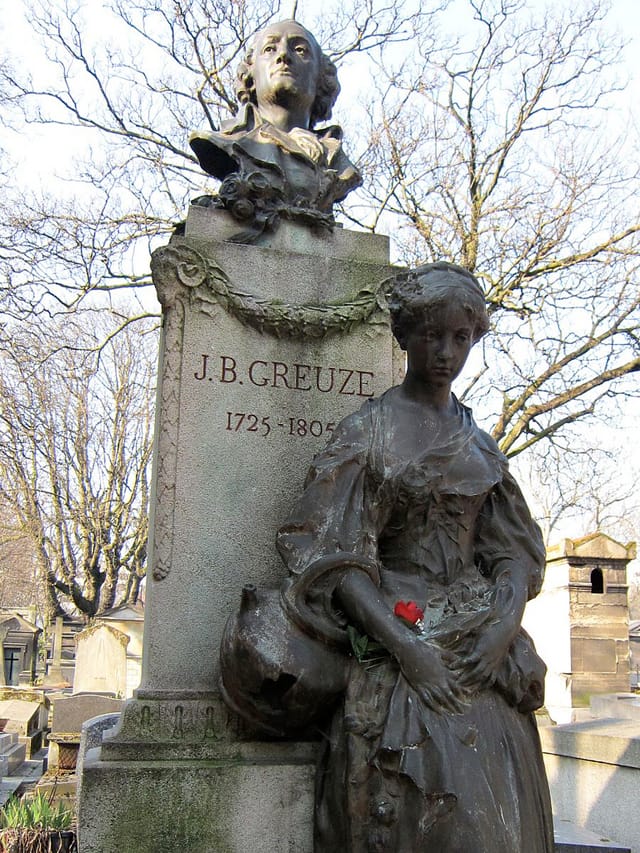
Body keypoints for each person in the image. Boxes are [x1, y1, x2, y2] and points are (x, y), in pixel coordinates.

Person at [273, 262, 555, 851]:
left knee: (505, 820)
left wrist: (503, 626)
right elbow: (337, 559)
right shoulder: (367, 433)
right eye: (433, 335)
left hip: (481, 641)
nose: (447, 352)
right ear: (404, 335)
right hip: (398, 636)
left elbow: (511, 552)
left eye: (461, 338)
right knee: (451, 817)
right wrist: (408, 649)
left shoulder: (480, 444)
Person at [190, 20, 361, 218]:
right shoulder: (225, 144)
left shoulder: (338, 163)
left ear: (321, 77)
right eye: (270, 48)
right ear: (250, 74)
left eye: (300, 50)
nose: (283, 56)